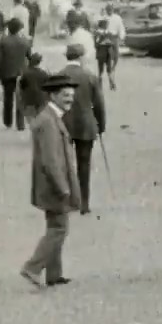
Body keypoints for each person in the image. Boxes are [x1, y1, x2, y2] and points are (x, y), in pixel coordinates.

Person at [20, 73, 83, 289]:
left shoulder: (50, 116)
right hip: (54, 185)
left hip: (50, 184)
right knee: (59, 229)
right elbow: (50, 160)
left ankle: (54, 275)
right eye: (66, 96)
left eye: (72, 96)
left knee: (55, 226)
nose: (70, 100)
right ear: (53, 96)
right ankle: (32, 267)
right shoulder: (49, 122)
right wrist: (63, 187)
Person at [59, 43, 105, 216]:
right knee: (83, 164)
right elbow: (99, 104)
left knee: (65, 163)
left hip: (64, 125)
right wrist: (101, 125)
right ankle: (84, 202)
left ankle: (67, 200)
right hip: (86, 125)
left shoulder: (59, 76)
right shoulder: (90, 76)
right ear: (80, 57)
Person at [0, 18, 33, 131]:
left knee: (8, 98)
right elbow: (30, 57)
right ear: (19, 29)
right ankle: (20, 124)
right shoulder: (25, 41)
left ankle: (8, 122)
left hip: (7, 74)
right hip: (21, 73)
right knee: (20, 98)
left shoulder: (3, 42)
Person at [19, 52, 51, 121]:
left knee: (31, 119)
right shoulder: (43, 73)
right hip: (41, 99)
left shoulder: (26, 73)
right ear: (39, 62)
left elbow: (22, 86)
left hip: (29, 100)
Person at [93, 14, 119, 91]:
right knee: (108, 70)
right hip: (107, 52)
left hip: (102, 53)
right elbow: (112, 43)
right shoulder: (106, 33)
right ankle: (111, 84)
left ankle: (102, 86)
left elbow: (96, 45)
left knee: (102, 70)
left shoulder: (98, 33)